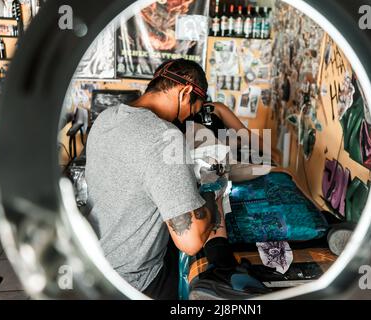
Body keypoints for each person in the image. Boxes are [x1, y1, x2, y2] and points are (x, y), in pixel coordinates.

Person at [86, 59, 267, 300]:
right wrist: (213, 193)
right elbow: (190, 241)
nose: (186, 119)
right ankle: (222, 270)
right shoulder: (164, 136)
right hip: (135, 280)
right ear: (185, 93)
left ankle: (223, 267)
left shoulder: (106, 118)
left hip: (94, 263)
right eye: (192, 110)